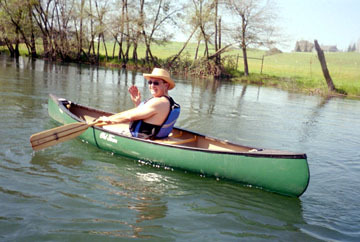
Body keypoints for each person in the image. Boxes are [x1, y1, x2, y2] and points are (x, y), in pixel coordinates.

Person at [98, 68, 180, 139]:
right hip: (153, 137)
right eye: (150, 82)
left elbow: (129, 116)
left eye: (156, 83)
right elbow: (150, 117)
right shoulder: (168, 101)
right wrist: (137, 103)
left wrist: (109, 120)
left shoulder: (158, 102)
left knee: (108, 127)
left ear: (166, 85)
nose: (152, 85)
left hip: (144, 139)